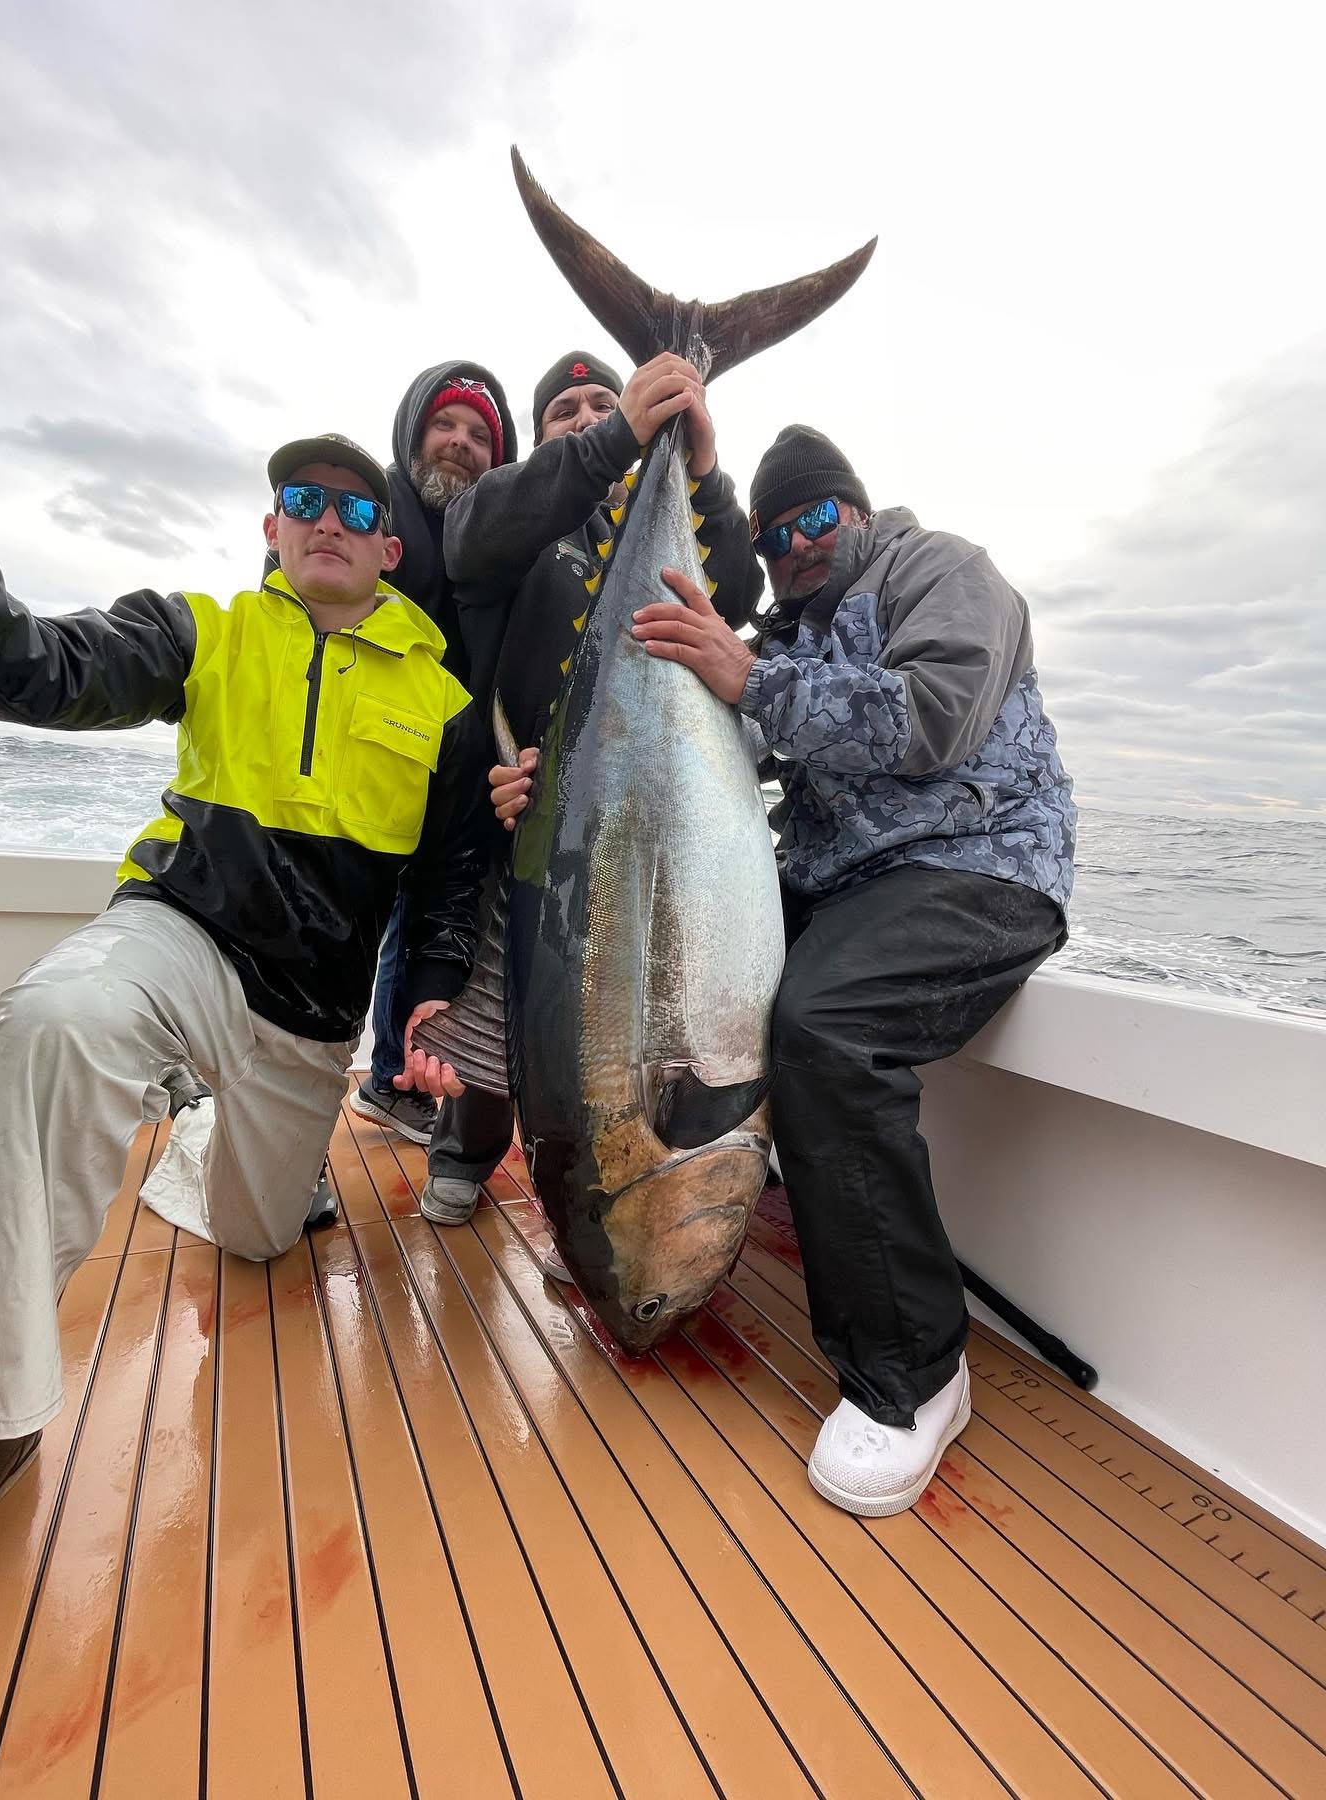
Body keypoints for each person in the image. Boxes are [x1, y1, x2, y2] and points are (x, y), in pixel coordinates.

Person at [0, 430, 490, 1662]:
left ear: (387, 544)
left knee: (262, 1232)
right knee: (44, 1032)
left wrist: (427, 995)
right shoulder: (203, 630)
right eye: (299, 501)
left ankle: (213, 1134)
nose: (325, 517)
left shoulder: (447, 708)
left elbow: (447, 887)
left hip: (310, 1020)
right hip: (183, 941)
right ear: (272, 530)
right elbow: (27, 671)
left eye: (352, 505)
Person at [619, 422, 1075, 1517]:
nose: (796, 547)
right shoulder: (785, 636)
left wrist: (750, 677)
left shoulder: (942, 571)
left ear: (859, 512)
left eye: (817, 519)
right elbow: (714, 753)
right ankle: (670, 1209)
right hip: (843, 885)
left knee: (825, 1028)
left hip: (979, 871)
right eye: (776, 537)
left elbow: (932, 718)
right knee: (664, 973)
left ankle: (912, 1373)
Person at [405, 348, 764, 1227]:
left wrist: (703, 469)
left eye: (601, 399)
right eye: (564, 410)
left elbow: (741, 589)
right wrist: (616, 433)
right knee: (519, 986)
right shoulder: (519, 527)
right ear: (541, 439)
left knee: (593, 994)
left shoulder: (666, 520)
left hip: (641, 804)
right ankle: (466, 1143)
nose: (584, 415)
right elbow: (473, 531)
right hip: (516, 812)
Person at [350, 362, 516, 1145]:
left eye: (480, 434)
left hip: (445, 772)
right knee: (370, 928)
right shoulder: (375, 510)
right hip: (363, 773)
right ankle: (385, 1082)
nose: (459, 443)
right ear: (413, 433)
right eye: (444, 426)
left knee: (412, 917)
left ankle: (389, 1076)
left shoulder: (490, 531)